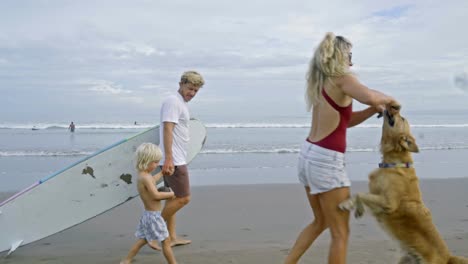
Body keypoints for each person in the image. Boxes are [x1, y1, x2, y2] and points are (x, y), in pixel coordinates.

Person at [284, 32, 399, 264]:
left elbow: (343, 121)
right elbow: (368, 95)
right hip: (326, 162)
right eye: (349, 55)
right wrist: (389, 100)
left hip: (309, 156)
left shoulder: (322, 83)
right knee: (341, 233)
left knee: (321, 222)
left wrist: (371, 110)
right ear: (339, 56)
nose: (352, 61)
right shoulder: (343, 78)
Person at [159, 70, 204, 247]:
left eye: (195, 91)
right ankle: (152, 228)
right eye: (190, 88)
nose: (192, 93)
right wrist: (169, 158)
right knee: (184, 198)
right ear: (181, 84)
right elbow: (167, 129)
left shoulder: (181, 103)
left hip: (176, 158)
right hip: (175, 160)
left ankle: (171, 238)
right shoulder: (173, 102)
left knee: (173, 198)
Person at [120, 143, 177, 264]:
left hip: (148, 215)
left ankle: (127, 260)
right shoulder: (145, 177)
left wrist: (161, 174)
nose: (157, 165)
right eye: (155, 162)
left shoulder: (143, 175)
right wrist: (171, 194)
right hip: (154, 217)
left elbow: (152, 180)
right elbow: (156, 195)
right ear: (147, 161)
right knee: (166, 241)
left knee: (143, 240)